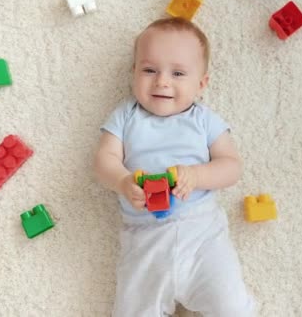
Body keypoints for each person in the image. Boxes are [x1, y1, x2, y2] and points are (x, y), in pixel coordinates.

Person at [94, 17, 255, 316]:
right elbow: (104, 161)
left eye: (178, 73)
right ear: (133, 73)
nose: (162, 81)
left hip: (202, 235)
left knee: (232, 307)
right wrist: (123, 181)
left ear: (201, 83)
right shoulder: (125, 116)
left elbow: (231, 167)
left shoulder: (204, 119)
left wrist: (196, 175)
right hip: (145, 239)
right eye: (149, 70)